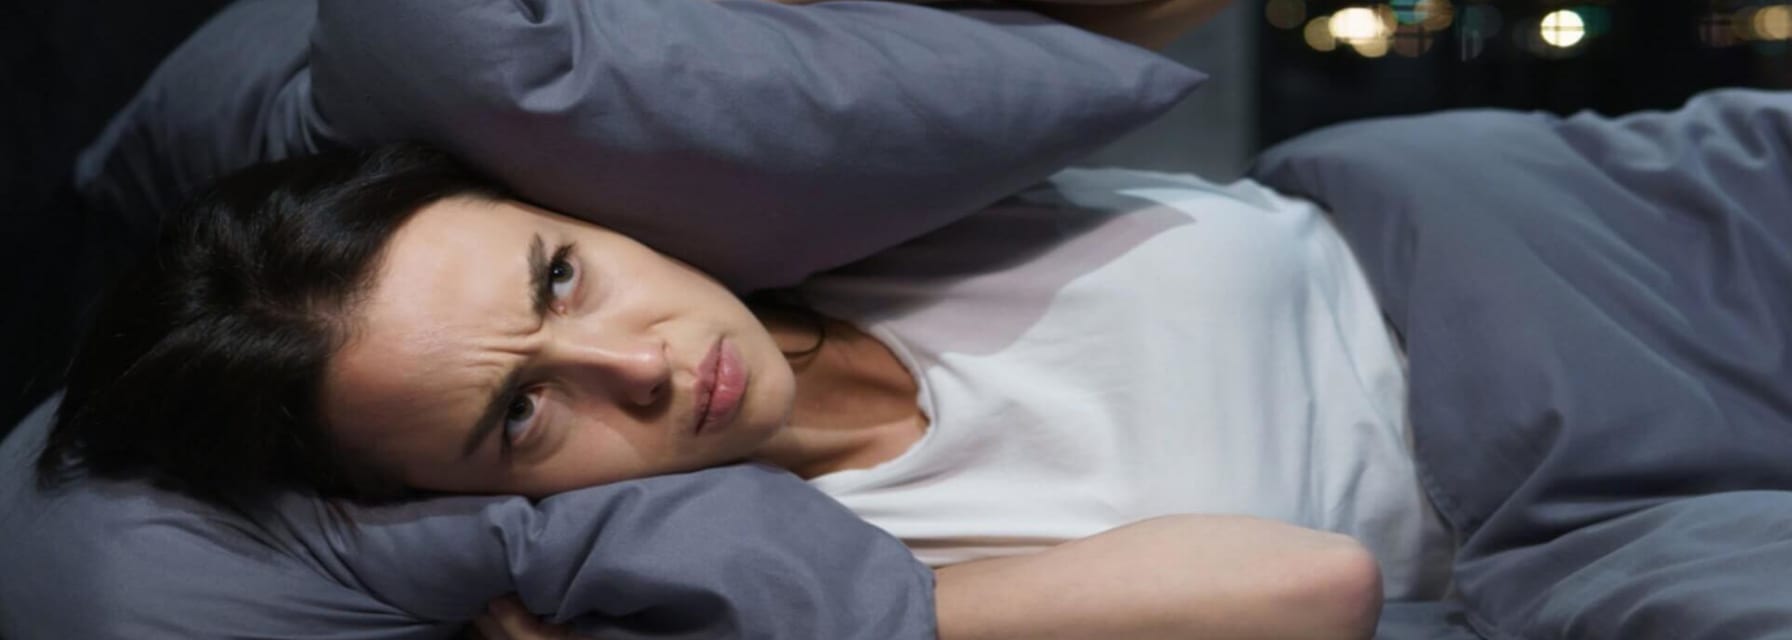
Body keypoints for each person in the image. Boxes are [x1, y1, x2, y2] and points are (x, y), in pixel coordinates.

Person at [39, 143, 1395, 639]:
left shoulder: (828, 203)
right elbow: (1311, 589)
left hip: (1505, 203)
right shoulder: (846, 574)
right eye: (518, 416)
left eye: (560, 278)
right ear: (458, 508)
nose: (645, 364)